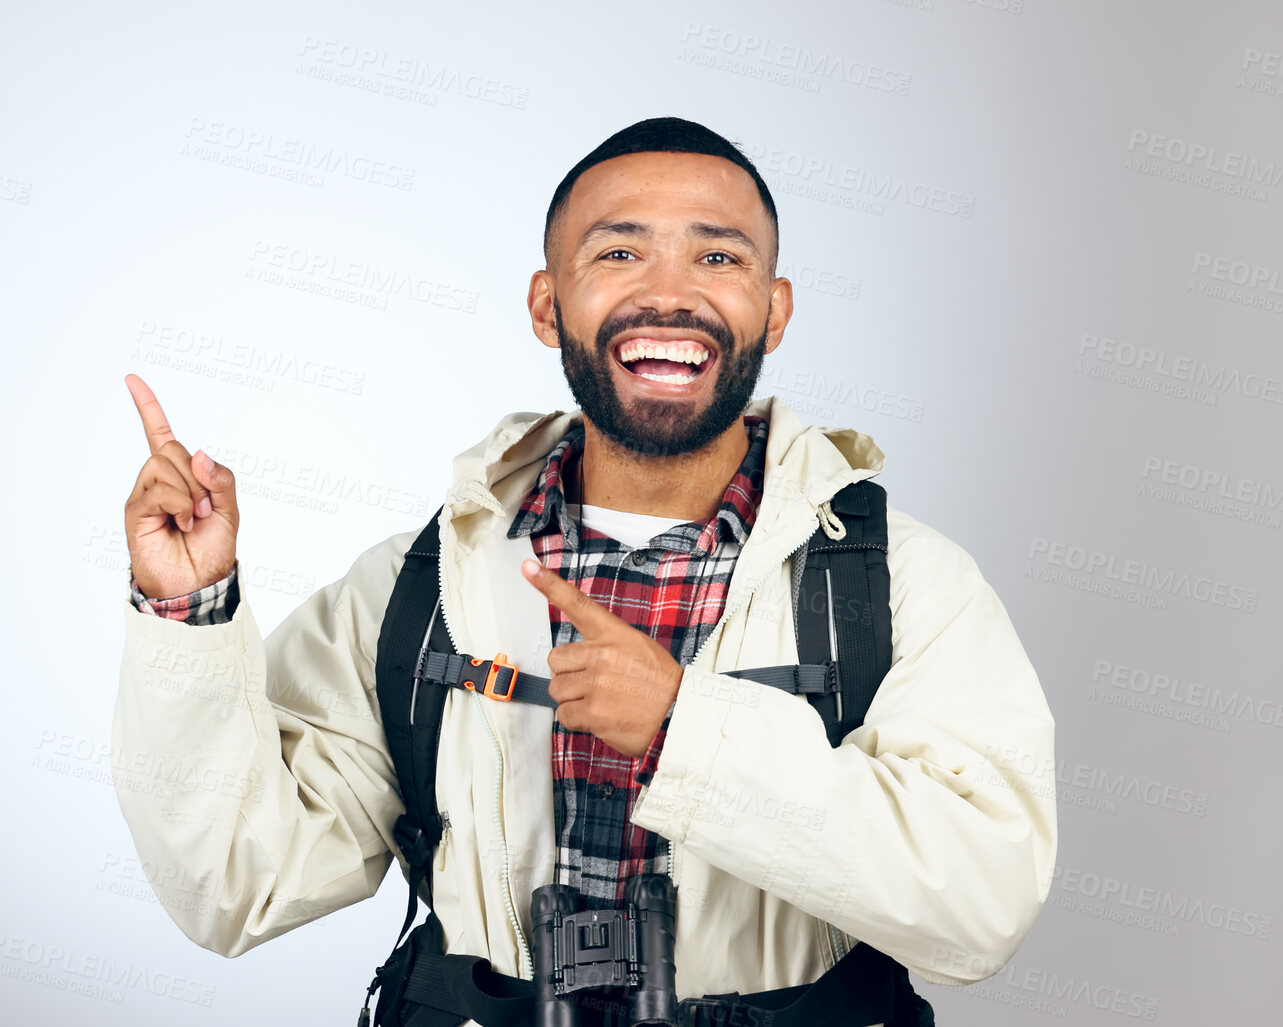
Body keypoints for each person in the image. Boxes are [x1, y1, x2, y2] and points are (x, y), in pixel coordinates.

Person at [111, 117, 1056, 1026]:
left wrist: (683, 731)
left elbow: (982, 908)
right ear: (545, 303)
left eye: (717, 256)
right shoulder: (417, 588)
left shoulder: (896, 585)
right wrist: (185, 607)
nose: (668, 294)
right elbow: (236, 883)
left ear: (774, 311)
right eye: (617, 253)